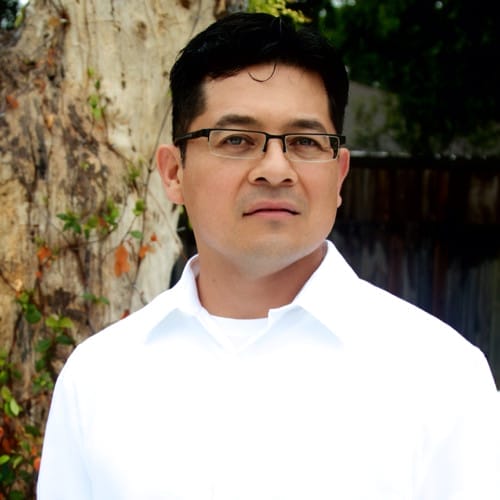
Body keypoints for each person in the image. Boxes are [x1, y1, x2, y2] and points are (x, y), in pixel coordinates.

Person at [37, 12, 500, 499]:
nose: (276, 169)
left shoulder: (441, 377)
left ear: (339, 174)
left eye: (304, 142)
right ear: (174, 172)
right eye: (237, 140)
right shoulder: (98, 378)